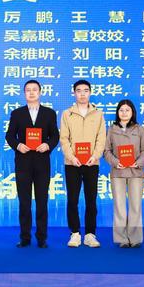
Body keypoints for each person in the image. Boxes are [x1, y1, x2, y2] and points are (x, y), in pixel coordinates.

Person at [5, 79, 59, 248]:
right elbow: (9, 135)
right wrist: (18, 145)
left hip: (42, 162)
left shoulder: (49, 113)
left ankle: (42, 238)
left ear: (40, 92)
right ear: (24, 93)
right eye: (28, 90)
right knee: (24, 202)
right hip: (23, 162)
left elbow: (55, 136)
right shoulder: (17, 113)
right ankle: (25, 237)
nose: (31, 92)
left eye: (34, 89)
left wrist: (48, 145)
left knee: (42, 201)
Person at [59, 79, 106, 248]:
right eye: (79, 91)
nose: (82, 94)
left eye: (86, 90)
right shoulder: (67, 114)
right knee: (72, 199)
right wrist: (72, 157)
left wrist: (95, 155)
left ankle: (90, 235)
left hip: (92, 163)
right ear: (74, 93)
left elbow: (101, 138)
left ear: (90, 93)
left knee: (91, 199)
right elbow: (64, 138)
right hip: (72, 163)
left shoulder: (98, 114)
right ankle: (75, 233)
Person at [104, 100, 144, 247]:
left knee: (135, 206)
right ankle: (122, 239)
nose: (124, 113)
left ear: (132, 112)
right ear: (117, 112)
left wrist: (138, 162)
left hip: (136, 172)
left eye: (127, 110)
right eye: (121, 110)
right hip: (118, 172)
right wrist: (115, 162)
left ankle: (135, 238)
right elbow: (106, 151)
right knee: (119, 206)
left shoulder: (139, 129)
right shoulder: (112, 129)